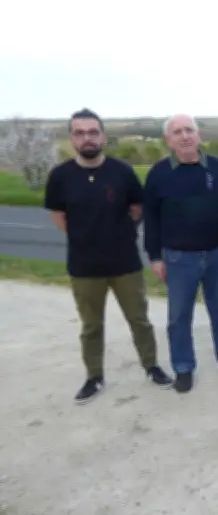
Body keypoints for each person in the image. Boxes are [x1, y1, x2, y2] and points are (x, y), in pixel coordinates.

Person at [43, 108, 170, 404]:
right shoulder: (60, 176)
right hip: (84, 266)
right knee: (91, 326)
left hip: (125, 263)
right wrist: (83, 238)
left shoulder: (122, 171)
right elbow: (59, 215)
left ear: (103, 136)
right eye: (80, 133)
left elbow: (137, 208)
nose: (87, 138)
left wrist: (122, 233)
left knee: (139, 319)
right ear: (72, 138)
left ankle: (151, 367)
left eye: (92, 132)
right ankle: (94, 376)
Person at [142, 114, 218, 394]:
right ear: (168, 140)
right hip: (179, 259)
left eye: (189, 130)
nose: (185, 136)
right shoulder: (158, 174)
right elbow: (151, 220)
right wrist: (155, 257)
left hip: (217, 255)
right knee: (179, 317)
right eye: (177, 132)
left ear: (199, 135)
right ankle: (183, 368)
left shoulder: (216, 167)